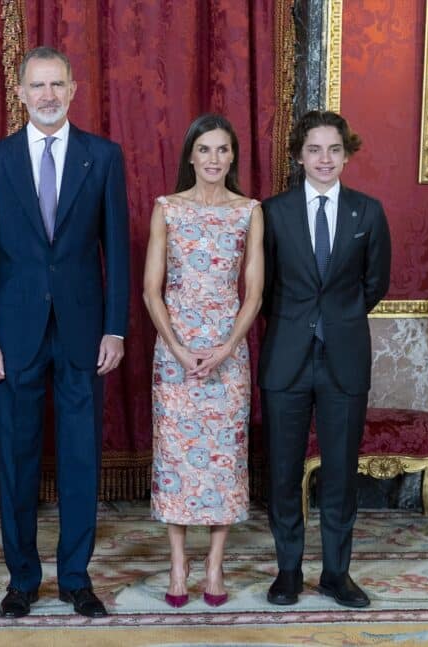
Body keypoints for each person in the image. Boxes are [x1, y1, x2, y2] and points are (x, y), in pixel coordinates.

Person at [0, 46, 130, 619]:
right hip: (13, 336)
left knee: (82, 457)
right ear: (20, 93)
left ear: (74, 89)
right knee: (16, 458)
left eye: (57, 84)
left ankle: (76, 578)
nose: (48, 95)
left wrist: (116, 328)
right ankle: (22, 580)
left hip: (85, 332)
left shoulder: (103, 157)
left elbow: (116, 248)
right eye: (37, 86)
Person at [259, 110, 391, 608]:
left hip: (344, 360)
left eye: (334, 149)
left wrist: (335, 319)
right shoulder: (272, 212)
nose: (325, 159)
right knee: (284, 472)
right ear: (299, 154)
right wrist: (299, 323)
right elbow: (263, 287)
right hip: (286, 359)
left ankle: (337, 573)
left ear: (346, 154)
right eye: (315, 149)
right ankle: (288, 571)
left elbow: (375, 283)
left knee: (340, 472)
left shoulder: (368, 212)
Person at [142, 114, 263, 608]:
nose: (214, 159)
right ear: (190, 155)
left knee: (223, 461)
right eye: (205, 150)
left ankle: (214, 562)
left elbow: (253, 293)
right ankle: (177, 561)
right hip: (175, 354)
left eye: (223, 150)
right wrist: (177, 347)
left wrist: (225, 348)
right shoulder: (167, 209)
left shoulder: (249, 211)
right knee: (174, 457)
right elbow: (152, 290)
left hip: (227, 354)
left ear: (233, 157)